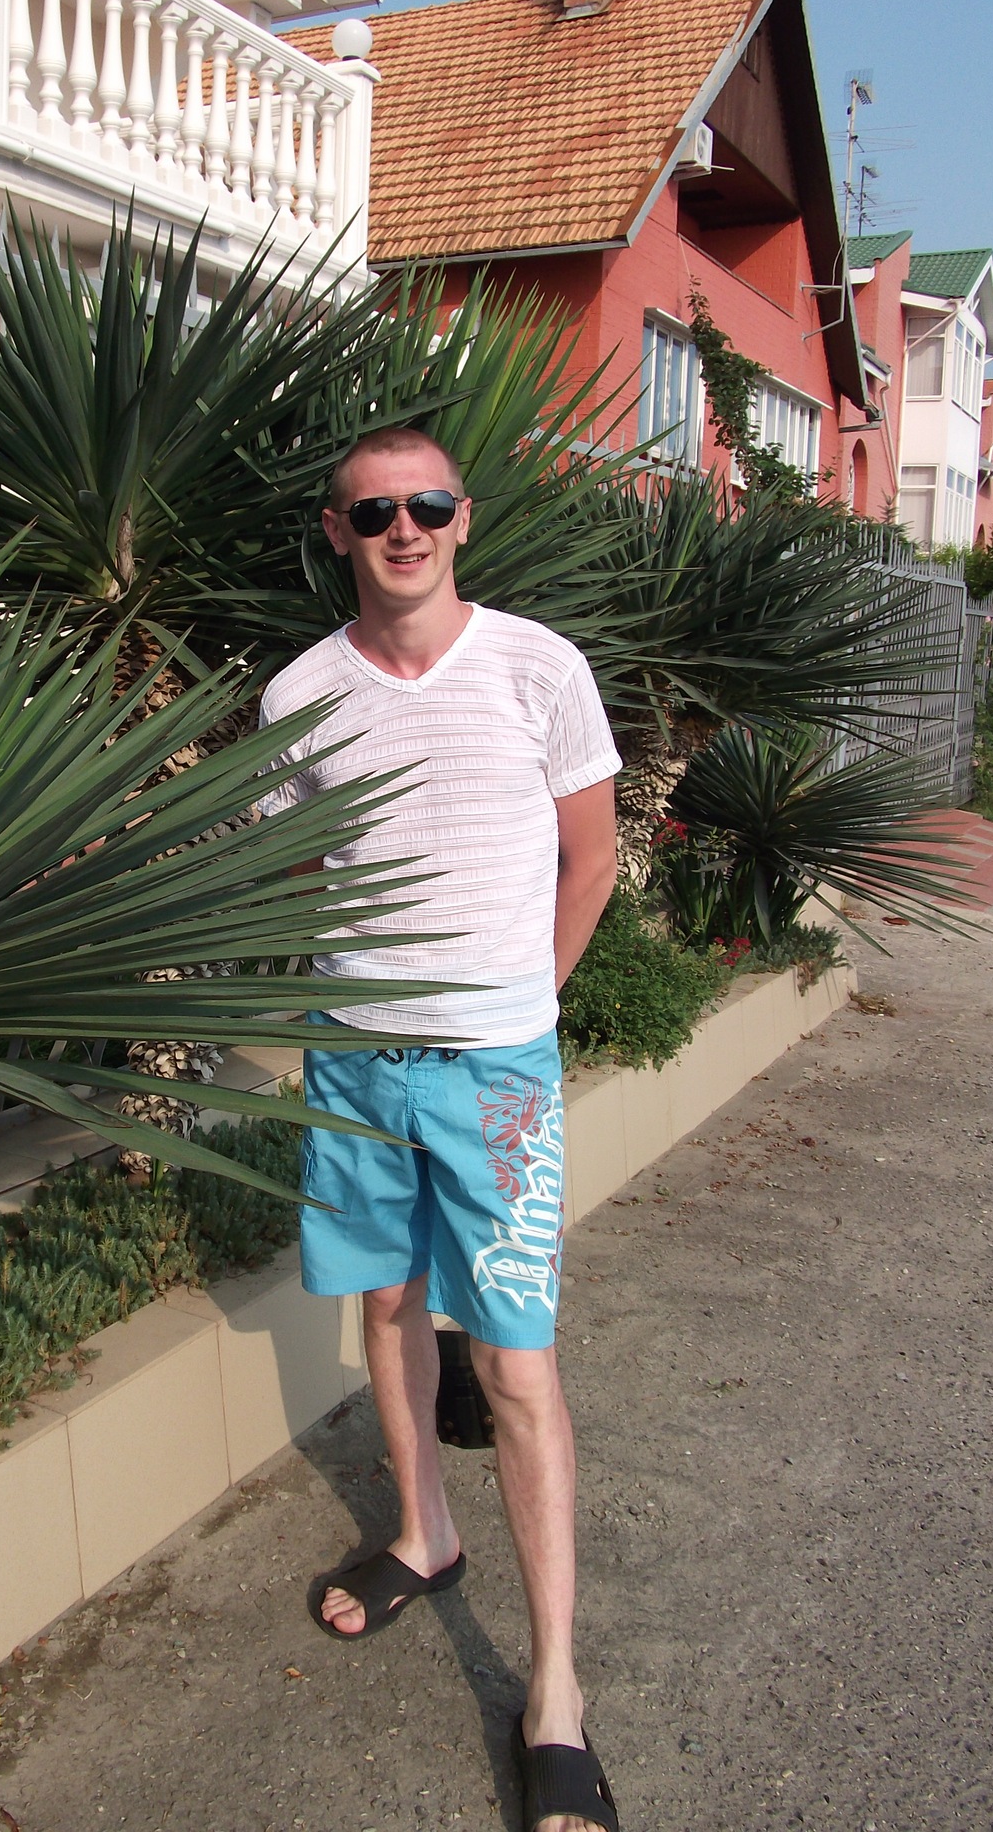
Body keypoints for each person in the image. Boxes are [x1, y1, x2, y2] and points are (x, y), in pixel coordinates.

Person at [257, 426, 623, 1832]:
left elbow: (590, 857)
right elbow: (295, 866)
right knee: (389, 1305)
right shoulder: (302, 691)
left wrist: (524, 1004)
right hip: (356, 1062)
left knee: (518, 1368)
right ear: (338, 532)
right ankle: (424, 1534)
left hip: (497, 1075)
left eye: (425, 505)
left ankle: (556, 1691)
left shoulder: (539, 668)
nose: (401, 528)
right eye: (373, 512)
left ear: (462, 518)